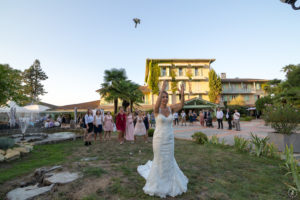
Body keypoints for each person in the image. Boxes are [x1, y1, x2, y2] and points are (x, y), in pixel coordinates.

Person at [137, 81, 188, 198]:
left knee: (169, 159)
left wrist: (182, 93)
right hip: (159, 139)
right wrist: (162, 89)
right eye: (163, 97)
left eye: (166, 97)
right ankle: (158, 183)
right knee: (159, 159)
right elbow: (156, 105)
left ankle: (170, 181)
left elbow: (182, 105)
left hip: (169, 139)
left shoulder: (171, 109)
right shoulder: (156, 110)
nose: (164, 99)